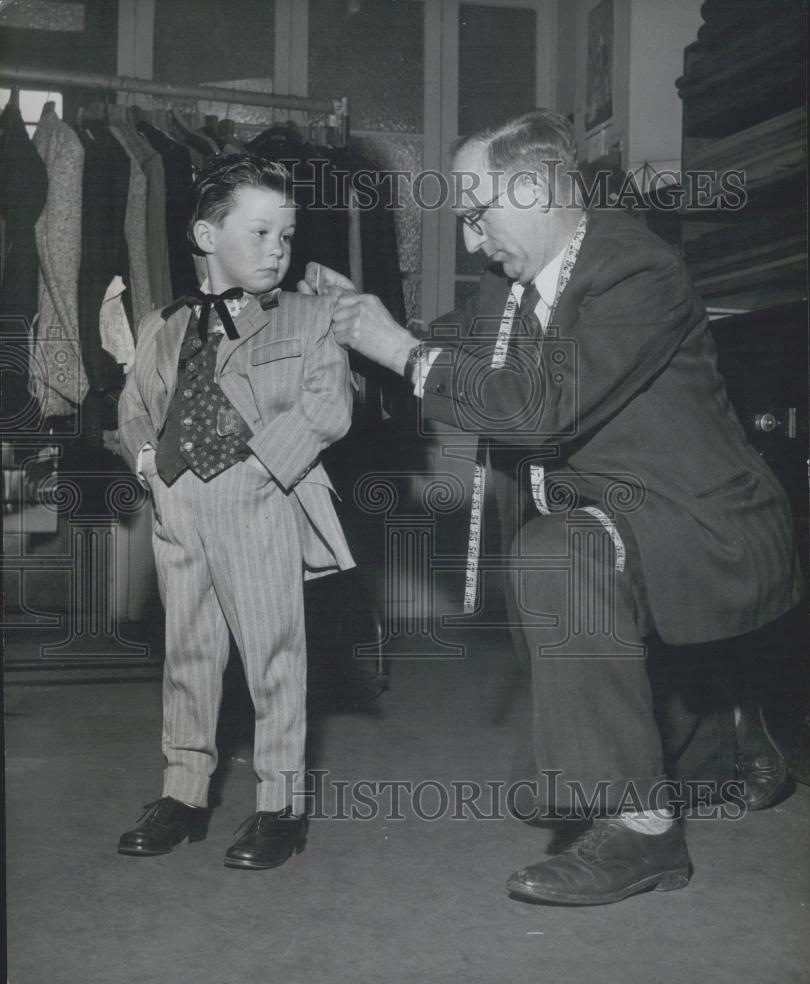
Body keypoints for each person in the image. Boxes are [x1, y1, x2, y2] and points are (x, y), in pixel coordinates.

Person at [302, 110, 804, 905]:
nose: (470, 242)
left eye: (476, 215)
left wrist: (397, 347)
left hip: (701, 527)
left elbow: (537, 410)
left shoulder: (638, 270)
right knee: (563, 572)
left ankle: (644, 832)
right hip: (620, 519)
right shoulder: (514, 285)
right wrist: (360, 317)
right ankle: (727, 735)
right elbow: (460, 358)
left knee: (554, 556)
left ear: (534, 191)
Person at [117, 153, 354, 870]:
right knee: (187, 653)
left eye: (285, 235)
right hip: (178, 503)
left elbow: (328, 406)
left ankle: (280, 806)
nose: (277, 249)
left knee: (274, 657)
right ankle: (184, 794)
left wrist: (263, 468)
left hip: (259, 498)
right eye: (258, 233)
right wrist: (149, 467)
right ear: (204, 236)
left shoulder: (308, 319)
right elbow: (137, 407)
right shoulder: (166, 323)